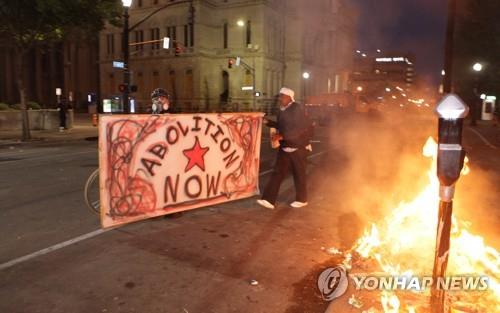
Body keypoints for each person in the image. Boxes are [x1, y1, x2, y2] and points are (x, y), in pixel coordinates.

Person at [257, 87, 313, 209]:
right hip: (286, 146)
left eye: (282, 96)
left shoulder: (296, 109)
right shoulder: (283, 110)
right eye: (280, 96)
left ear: (289, 97)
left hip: (298, 147)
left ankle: (302, 199)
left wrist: (282, 135)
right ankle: (268, 200)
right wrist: (268, 123)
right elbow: (282, 125)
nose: (280, 98)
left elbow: (299, 128)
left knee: (299, 174)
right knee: (278, 173)